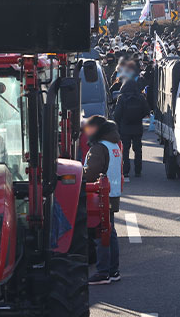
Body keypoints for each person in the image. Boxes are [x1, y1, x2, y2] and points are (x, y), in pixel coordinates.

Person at [82, 115, 122, 285]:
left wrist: (78, 172)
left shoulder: (99, 148)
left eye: (90, 129)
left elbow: (90, 173)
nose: (87, 132)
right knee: (110, 232)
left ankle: (103, 271)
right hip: (113, 193)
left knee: (101, 233)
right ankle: (113, 271)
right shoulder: (114, 144)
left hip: (100, 194)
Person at [113, 78, 150, 181]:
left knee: (125, 151)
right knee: (138, 150)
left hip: (125, 128)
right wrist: (139, 117)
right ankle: (138, 171)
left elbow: (117, 115)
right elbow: (146, 111)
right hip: (137, 127)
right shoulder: (140, 97)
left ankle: (126, 171)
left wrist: (119, 124)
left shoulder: (122, 98)